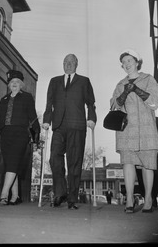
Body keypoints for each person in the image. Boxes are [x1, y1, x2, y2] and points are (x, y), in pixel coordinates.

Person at [42, 54, 97, 210]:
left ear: (76, 64)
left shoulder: (84, 81)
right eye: (65, 62)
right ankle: (60, 193)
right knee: (54, 158)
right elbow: (49, 103)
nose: (68, 65)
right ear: (62, 64)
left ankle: (72, 198)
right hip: (59, 125)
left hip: (77, 125)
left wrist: (91, 118)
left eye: (71, 62)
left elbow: (91, 103)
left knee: (74, 161)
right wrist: (47, 119)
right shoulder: (54, 81)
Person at [110, 49, 158, 213]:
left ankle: (148, 199)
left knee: (148, 164)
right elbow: (114, 106)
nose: (126, 64)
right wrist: (126, 91)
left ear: (137, 62)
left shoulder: (148, 79)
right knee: (128, 163)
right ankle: (130, 199)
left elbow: (154, 102)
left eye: (129, 61)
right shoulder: (120, 84)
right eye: (124, 62)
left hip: (146, 128)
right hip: (127, 129)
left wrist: (137, 90)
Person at [0, 70, 40, 205]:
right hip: (6, 135)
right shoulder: (3, 100)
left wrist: (36, 135)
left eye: (17, 82)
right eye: (12, 82)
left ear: (21, 84)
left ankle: (4, 194)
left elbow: (32, 118)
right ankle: (15, 196)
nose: (14, 84)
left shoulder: (27, 97)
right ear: (9, 85)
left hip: (20, 134)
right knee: (11, 164)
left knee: (13, 162)